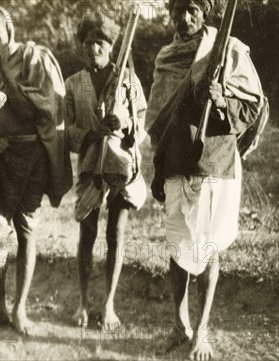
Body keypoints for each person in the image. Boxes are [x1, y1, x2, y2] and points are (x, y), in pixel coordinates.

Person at [146, 0, 264, 359]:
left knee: (208, 245)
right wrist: (159, 162)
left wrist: (223, 99)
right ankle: (178, 324)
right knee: (179, 245)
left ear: (207, 11)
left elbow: (254, 106)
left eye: (194, 8)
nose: (186, 17)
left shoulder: (228, 49)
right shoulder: (166, 56)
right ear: (170, 13)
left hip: (214, 161)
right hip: (176, 159)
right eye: (179, 9)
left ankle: (203, 331)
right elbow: (156, 118)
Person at [0, 6, 71, 335]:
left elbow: (33, 112)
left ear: (9, 32)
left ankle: (20, 309)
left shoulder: (32, 58)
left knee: (25, 230)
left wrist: (7, 74)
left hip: (32, 155)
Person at [65, 12, 148, 330]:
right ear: (82, 46)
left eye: (100, 42)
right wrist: (91, 133)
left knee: (116, 234)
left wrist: (126, 124)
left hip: (122, 166)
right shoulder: (73, 84)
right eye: (89, 42)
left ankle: (109, 305)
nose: (94, 48)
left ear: (112, 45)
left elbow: (143, 117)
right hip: (90, 168)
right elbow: (66, 130)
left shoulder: (126, 78)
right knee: (87, 234)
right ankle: (83, 303)